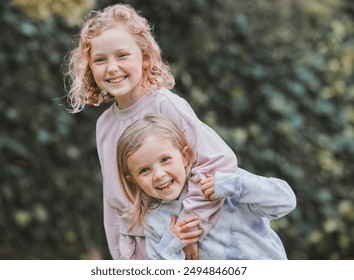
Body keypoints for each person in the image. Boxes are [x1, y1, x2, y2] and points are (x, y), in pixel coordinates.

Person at [65, 4, 238, 259]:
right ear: (89, 67)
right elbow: (114, 203)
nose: (112, 68)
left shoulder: (165, 104)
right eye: (100, 60)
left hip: (195, 247)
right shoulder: (104, 126)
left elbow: (218, 163)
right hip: (146, 254)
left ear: (145, 57)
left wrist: (191, 228)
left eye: (122, 55)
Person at [117, 113, 296, 260]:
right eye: (144, 170)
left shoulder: (222, 181)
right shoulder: (154, 220)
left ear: (185, 156)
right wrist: (173, 243)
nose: (158, 175)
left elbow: (285, 201)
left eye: (165, 160)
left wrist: (234, 185)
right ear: (133, 180)